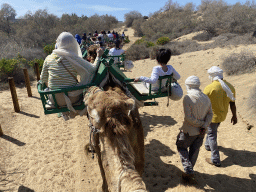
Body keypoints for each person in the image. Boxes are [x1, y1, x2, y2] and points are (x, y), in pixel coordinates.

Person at [40, 32, 103, 119]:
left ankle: (63, 112)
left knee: (48, 88)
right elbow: (92, 69)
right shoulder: (74, 58)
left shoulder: (48, 58)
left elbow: (43, 79)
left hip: (55, 100)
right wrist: (98, 56)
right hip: (73, 98)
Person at [176, 76, 213, 180]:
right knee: (195, 150)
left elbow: (189, 118)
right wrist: (204, 125)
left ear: (189, 85)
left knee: (181, 146)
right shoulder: (206, 97)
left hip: (189, 130)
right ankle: (190, 170)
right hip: (202, 131)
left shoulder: (187, 98)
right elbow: (210, 114)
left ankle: (188, 169)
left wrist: (200, 123)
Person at [203, 66, 237, 167]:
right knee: (211, 132)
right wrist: (234, 116)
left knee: (212, 135)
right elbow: (232, 104)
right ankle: (207, 145)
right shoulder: (230, 87)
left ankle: (215, 159)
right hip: (222, 115)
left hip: (211, 117)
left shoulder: (210, 88)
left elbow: (202, 102)